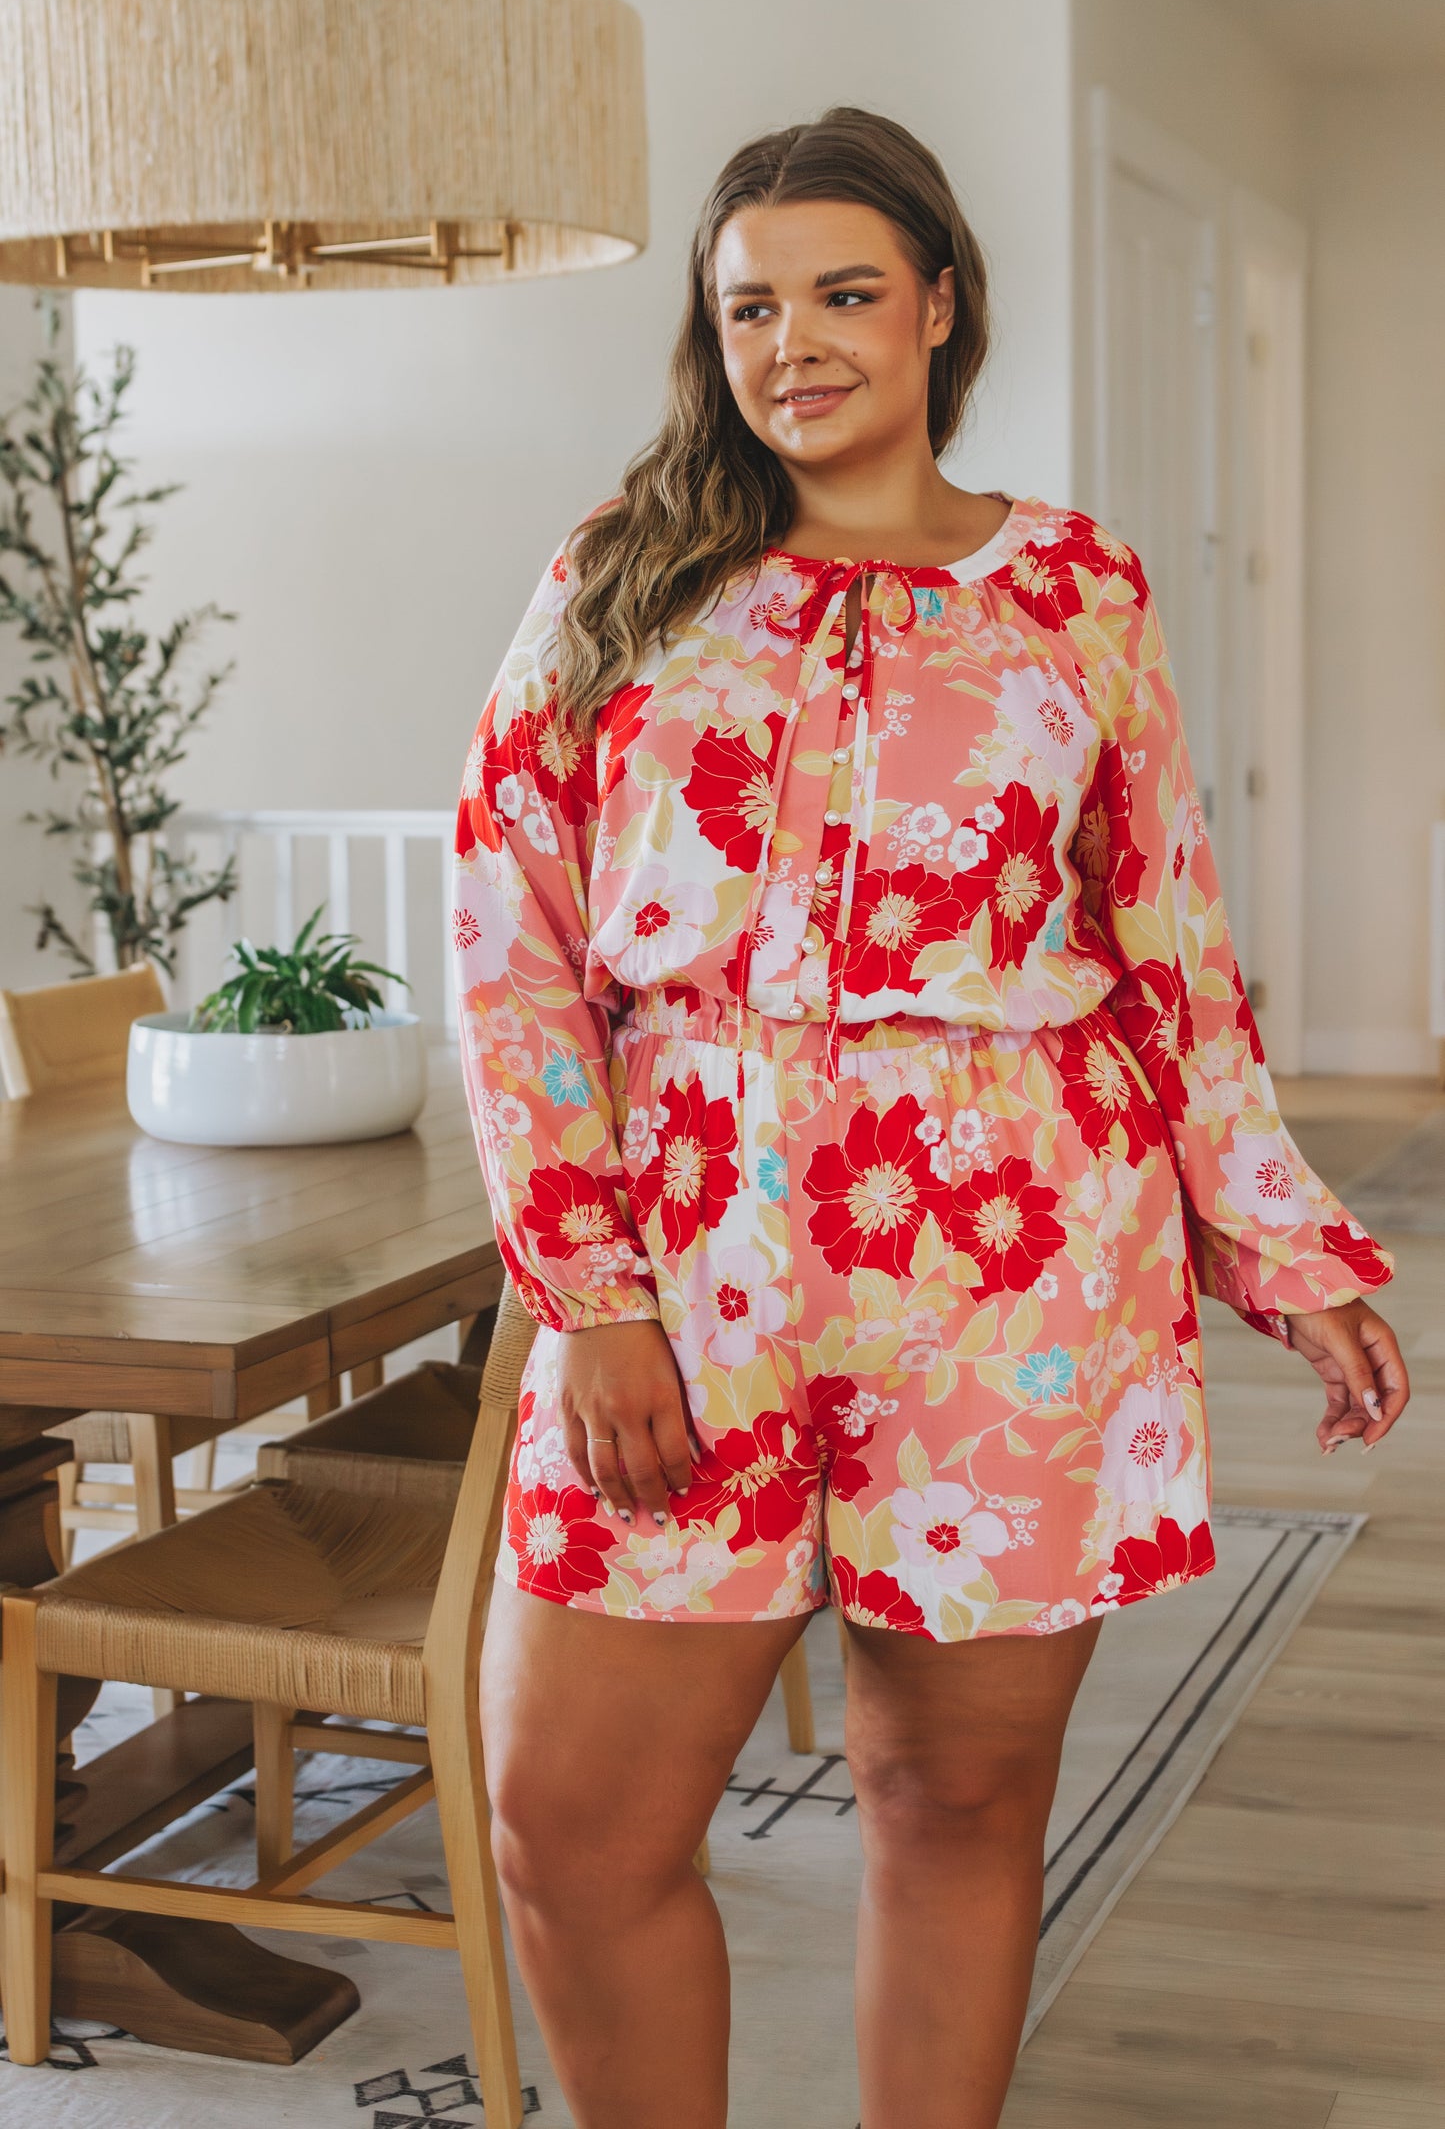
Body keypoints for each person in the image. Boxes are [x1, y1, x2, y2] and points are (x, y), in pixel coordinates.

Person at [452, 105, 1409, 2129]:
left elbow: (1165, 938)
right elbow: (508, 938)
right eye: (749, 308)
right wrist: (589, 1295)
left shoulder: (1078, 589)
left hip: (1019, 1267)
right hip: (691, 1266)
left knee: (953, 1797)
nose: (792, 342)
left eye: (842, 293)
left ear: (939, 305)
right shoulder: (624, 575)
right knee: (570, 1824)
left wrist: (1281, 1240)